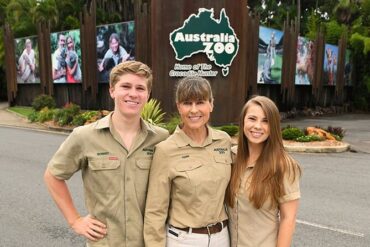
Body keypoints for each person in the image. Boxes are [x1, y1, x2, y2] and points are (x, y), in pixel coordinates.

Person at [44, 61, 169, 247]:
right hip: (105, 242)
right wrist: (75, 220)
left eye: (140, 88)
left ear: (148, 95)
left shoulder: (161, 138)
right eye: (125, 86)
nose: (133, 94)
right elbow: (52, 176)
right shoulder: (84, 136)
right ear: (112, 90)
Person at [144, 76, 232, 247]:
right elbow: (155, 210)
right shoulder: (166, 150)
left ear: (211, 104)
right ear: (178, 107)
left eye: (200, 102)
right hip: (184, 240)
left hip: (222, 237)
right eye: (187, 103)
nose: (193, 110)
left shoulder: (224, 141)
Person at [226, 95, 301, 247]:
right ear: (243, 121)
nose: (258, 126)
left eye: (265, 121)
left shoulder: (283, 166)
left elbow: (289, 218)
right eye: (252, 119)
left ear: (273, 126)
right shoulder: (231, 157)